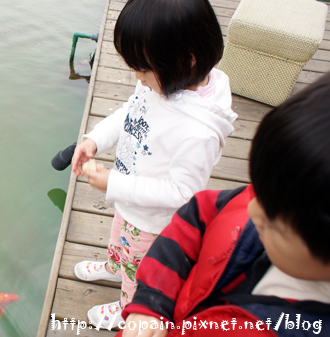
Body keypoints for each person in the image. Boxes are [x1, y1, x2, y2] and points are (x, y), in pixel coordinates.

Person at [117, 71, 330, 337]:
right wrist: (152, 300)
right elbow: (197, 215)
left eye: (274, 224)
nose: (253, 210)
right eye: (258, 190)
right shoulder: (286, 195)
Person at [71, 0, 235, 325]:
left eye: (143, 69)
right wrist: (94, 139)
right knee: (118, 240)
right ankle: (112, 267)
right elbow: (129, 112)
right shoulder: (163, 79)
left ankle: (126, 307)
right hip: (130, 203)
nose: (138, 77)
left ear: (186, 59)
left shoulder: (198, 130)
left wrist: (113, 183)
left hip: (151, 222)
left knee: (139, 270)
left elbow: (181, 193)